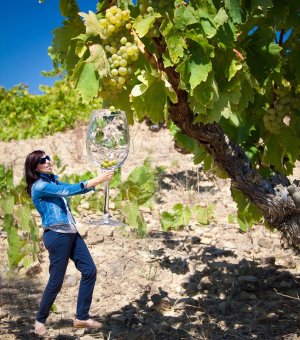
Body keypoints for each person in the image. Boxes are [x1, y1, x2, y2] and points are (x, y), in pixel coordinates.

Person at [24, 150, 114, 336]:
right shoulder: (40, 186)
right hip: (57, 236)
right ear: (35, 167)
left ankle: (81, 317)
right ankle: (40, 320)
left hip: (71, 233)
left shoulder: (52, 182)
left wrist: (97, 183)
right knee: (56, 282)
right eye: (43, 160)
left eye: (48, 158)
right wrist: (96, 180)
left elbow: (74, 188)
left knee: (89, 270)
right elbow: (69, 190)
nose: (48, 161)